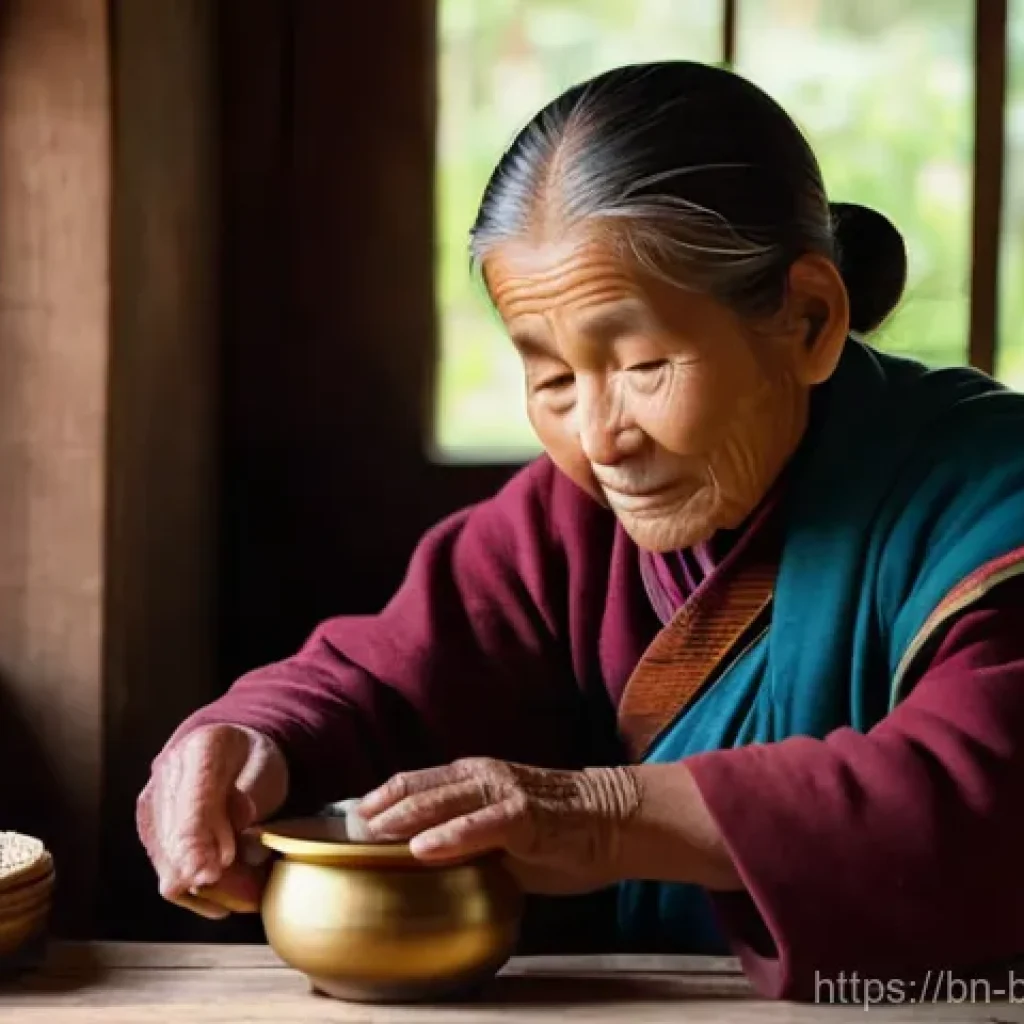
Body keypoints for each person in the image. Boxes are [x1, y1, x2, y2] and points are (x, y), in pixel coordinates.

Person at [137, 60, 1024, 1001]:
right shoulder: (568, 524)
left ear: (808, 320)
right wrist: (244, 742)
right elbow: (380, 681)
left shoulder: (986, 500)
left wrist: (601, 814)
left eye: (642, 365)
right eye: (553, 379)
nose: (600, 440)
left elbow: (984, 799)